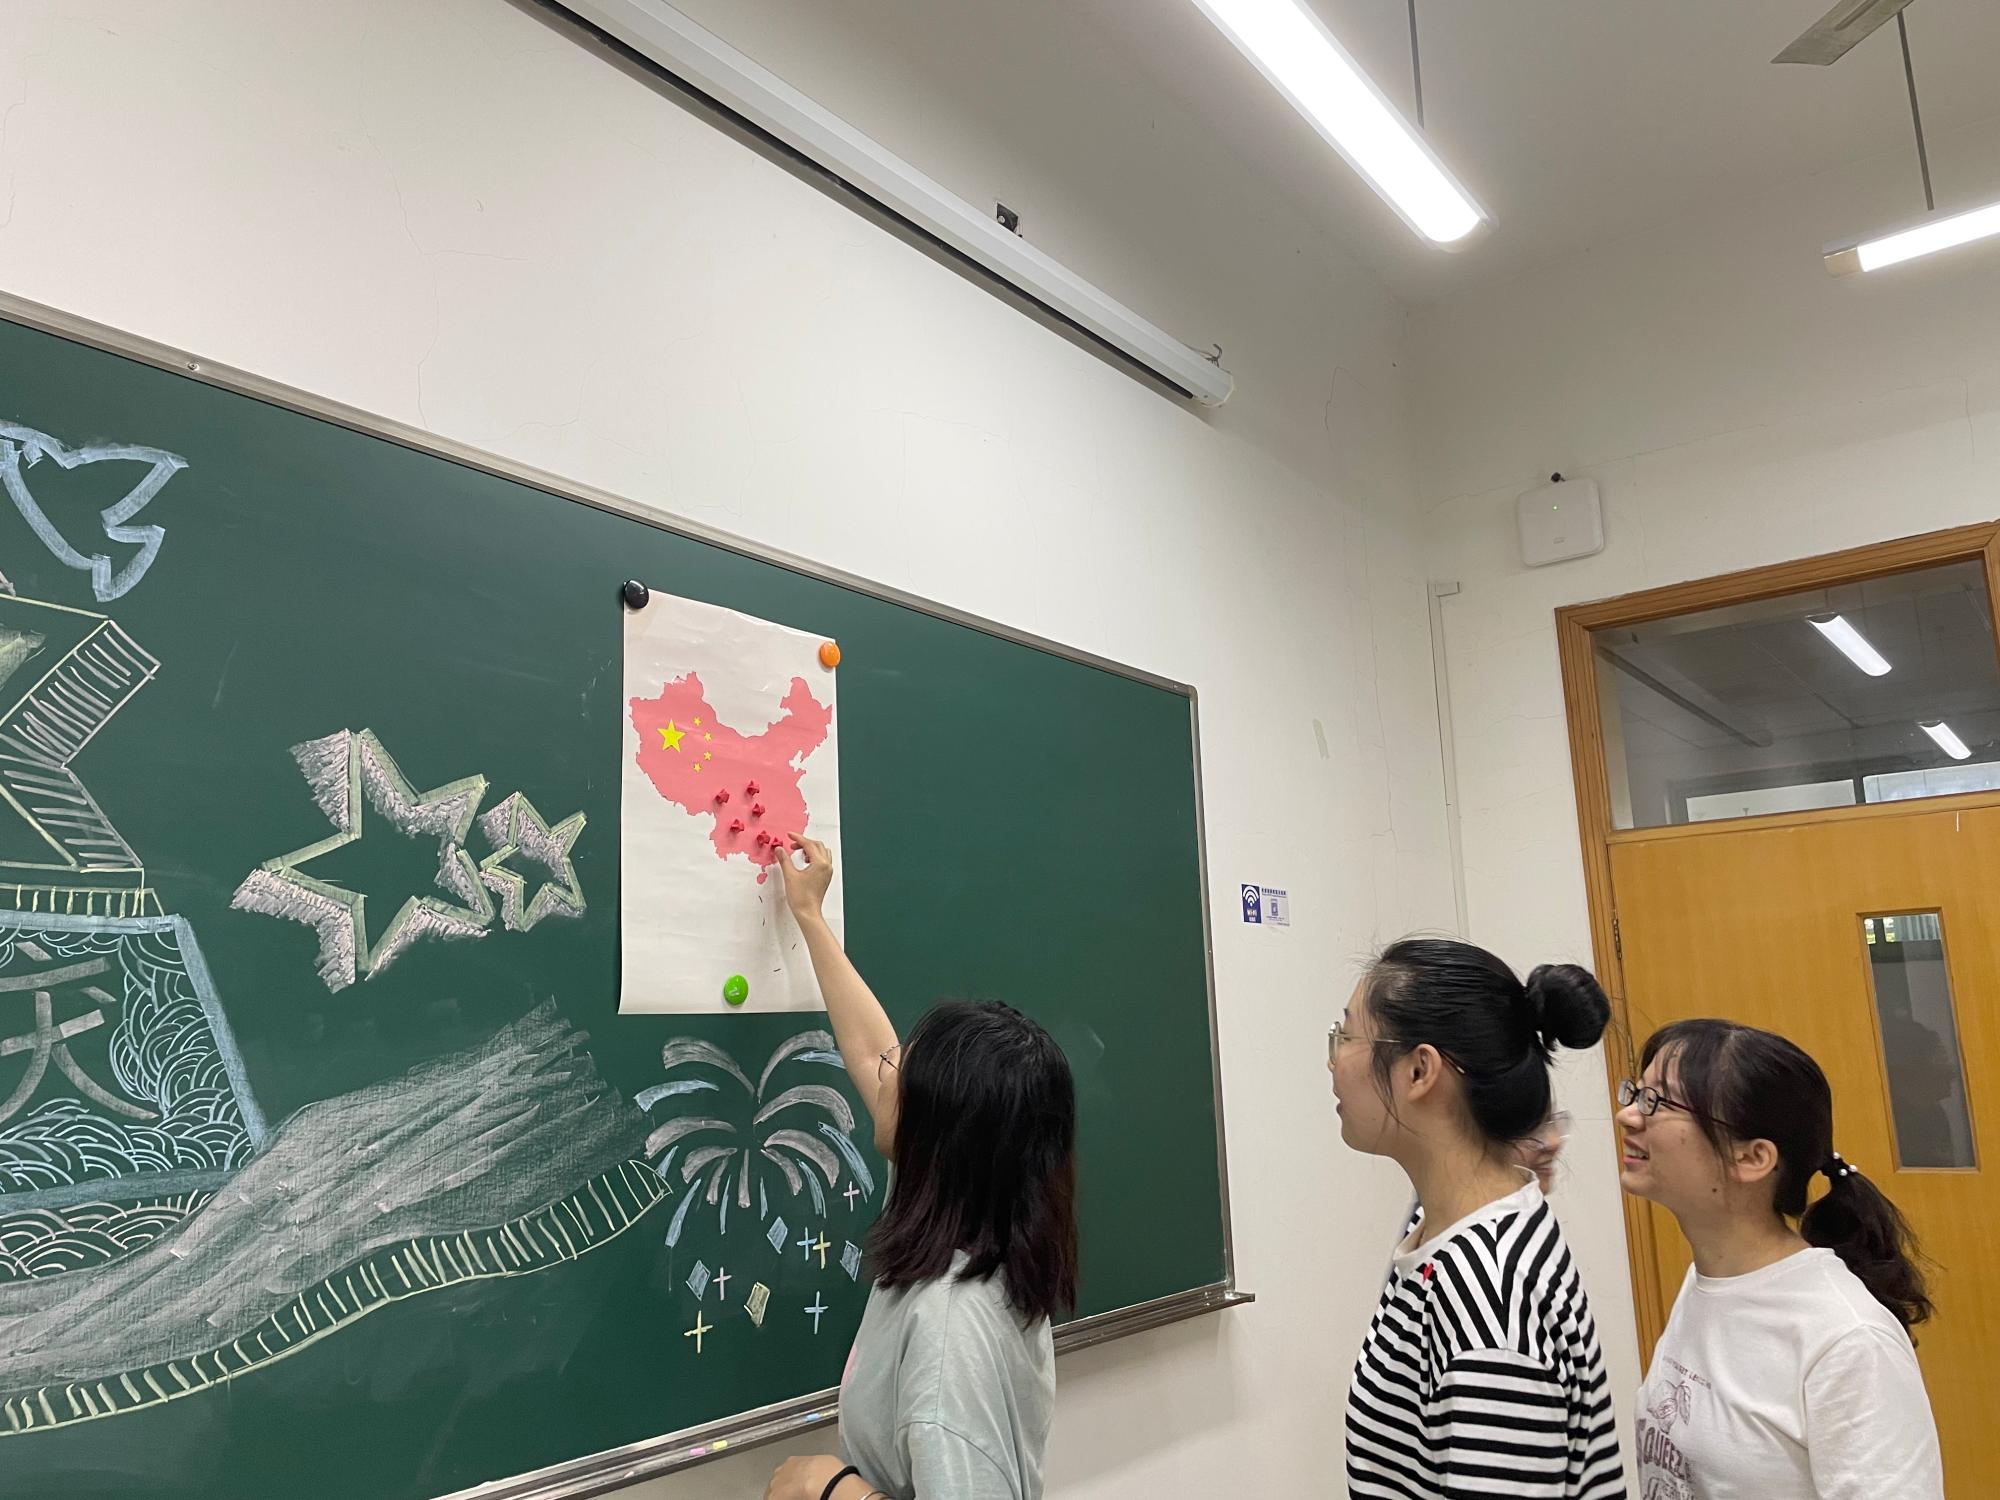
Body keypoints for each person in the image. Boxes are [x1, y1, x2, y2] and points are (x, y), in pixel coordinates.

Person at [763, 834, 1078, 1500]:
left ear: (937, 1131)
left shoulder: (950, 1332)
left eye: (901, 1074)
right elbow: (868, 1047)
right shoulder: (968, 1215)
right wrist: (810, 916)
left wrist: (829, 1489)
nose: (884, 1072)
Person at [1333, 938, 1625, 1500]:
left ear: (1419, 1070)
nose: (1332, 1059)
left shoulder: (1488, 1305)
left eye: (1346, 1036)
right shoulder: (1443, 1226)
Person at [1617, 1019, 1943, 1499]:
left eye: (1657, 1102)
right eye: (1636, 1092)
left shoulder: (1849, 1339)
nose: (1627, 1115)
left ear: (1753, 1158)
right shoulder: (1709, 1280)